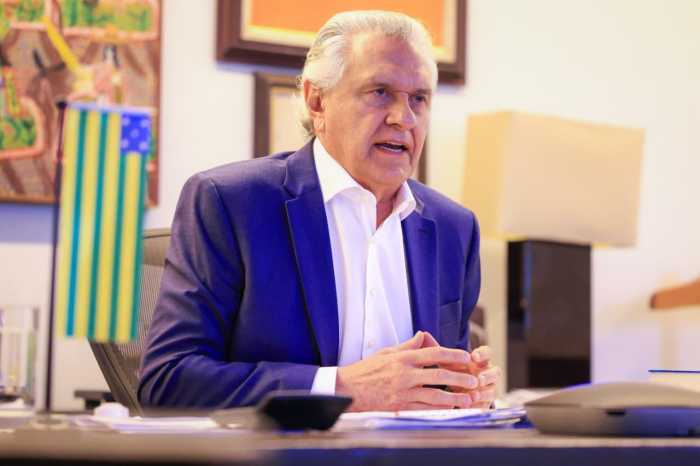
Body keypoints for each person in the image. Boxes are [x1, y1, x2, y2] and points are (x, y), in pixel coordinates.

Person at [138, 10, 501, 412]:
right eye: (380, 92)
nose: (404, 118)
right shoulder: (231, 203)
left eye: (419, 98)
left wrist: (463, 391)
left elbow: (435, 389)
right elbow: (167, 381)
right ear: (317, 100)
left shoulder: (454, 228)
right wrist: (341, 387)